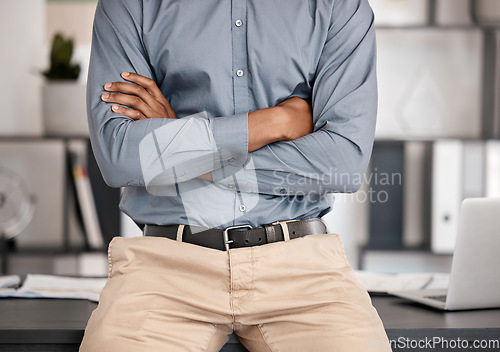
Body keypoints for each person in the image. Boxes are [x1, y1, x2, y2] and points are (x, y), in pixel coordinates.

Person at [79, 0, 392, 351]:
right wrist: (278, 122)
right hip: (164, 266)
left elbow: (343, 162)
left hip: (303, 269)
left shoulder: (338, 6)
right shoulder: (129, 4)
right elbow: (119, 155)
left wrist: (177, 144)